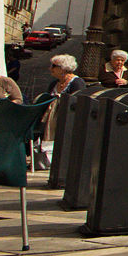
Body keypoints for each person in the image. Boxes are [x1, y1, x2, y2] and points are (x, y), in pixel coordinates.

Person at [41, 54, 88, 186]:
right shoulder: (54, 83)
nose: (50, 69)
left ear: (63, 68)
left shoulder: (77, 83)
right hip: (53, 119)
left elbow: (76, 101)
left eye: (54, 66)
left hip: (68, 120)